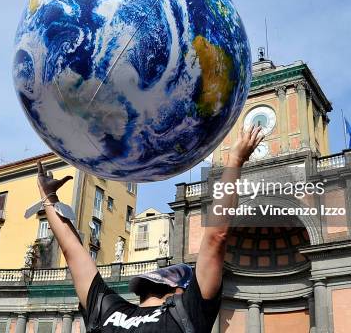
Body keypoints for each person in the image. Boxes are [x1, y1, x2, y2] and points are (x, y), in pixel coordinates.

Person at [37, 125, 264, 332]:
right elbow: (217, 236)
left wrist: (48, 196)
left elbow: (72, 252)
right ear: (179, 291)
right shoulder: (184, 313)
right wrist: (235, 161)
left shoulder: (110, 312)